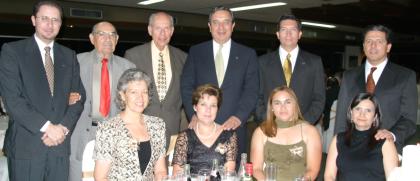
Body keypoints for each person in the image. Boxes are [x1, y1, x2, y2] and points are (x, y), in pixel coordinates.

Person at [0, 1, 86, 180]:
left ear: (61, 24)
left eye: (55, 20)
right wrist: (49, 128)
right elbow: (13, 100)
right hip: (27, 148)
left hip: (59, 147)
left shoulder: (68, 56)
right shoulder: (12, 52)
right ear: (33, 20)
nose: (50, 24)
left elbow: (79, 98)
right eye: (44, 18)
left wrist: (61, 129)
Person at [181, 6, 259, 162]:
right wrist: (194, 114)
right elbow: (186, 86)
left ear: (233, 26)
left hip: (234, 128)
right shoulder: (196, 52)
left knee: (233, 173)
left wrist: (239, 117)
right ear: (209, 27)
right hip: (202, 128)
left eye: (226, 22)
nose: (221, 27)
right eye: (216, 22)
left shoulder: (248, 54)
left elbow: (252, 90)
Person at [68, 21, 135, 181]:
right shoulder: (75, 62)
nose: (107, 39)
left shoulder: (128, 67)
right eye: (102, 34)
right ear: (92, 38)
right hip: (81, 132)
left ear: (117, 39)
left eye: (112, 35)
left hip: (115, 134)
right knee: (79, 176)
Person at [334, 25, 417, 152]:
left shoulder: (405, 76)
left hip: (386, 149)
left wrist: (391, 135)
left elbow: (409, 119)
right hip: (352, 149)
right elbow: (341, 116)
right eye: (369, 41)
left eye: (379, 41)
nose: (373, 46)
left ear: (388, 47)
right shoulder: (349, 76)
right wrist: (338, 147)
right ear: (363, 46)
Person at [124, 12, 187, 148]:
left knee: (166, 169)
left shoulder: (183, 58)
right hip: (140, 127)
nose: (162, 33)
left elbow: (185, 94)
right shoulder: (133, 55)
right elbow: (126, 93)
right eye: (158, 28)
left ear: (172, 31)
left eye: (167, 28)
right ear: (150, 30)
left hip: (172, 129)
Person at [93, 69, 166, 180]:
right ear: (123, 95)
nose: (140, 98)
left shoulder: (158, 125)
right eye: (134, 92)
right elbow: (100, 177)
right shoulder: (108, 129)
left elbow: (160, 170)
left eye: (144, 92)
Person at [257, 14, 325, 125]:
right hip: (271, 127)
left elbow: (319, 99)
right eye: (284, 30)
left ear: (300, 34)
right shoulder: (262, 62)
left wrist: (302, 124)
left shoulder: (314, 62)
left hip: (303, 128)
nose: (288, 34)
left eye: (293, 29)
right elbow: (257, 97)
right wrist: (269, 121)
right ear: (278, 34)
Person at [251, 86, 321, 181]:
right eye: (277, 103)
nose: (283, 107)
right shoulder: (261, 132)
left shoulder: (310, 132)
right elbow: (256, 169)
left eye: (287, 102)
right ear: (271, 107)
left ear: (295, 105)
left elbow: (312, 170)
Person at [325, 93, 399, 180]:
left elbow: (393, 179)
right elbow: (329, 176)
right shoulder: (338, 140)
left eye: (368, 110)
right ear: (351, 113)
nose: (362, 114)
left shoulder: (385, 142)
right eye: (358, 109)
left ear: (375, 117)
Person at [172, 84, 238, 174]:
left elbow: (229, 174)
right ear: (195, 107)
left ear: (217, 109)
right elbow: (178, 175)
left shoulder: (229, 136)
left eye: (213, 106)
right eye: (203, 104)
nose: (208, 110)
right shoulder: (184, 137)